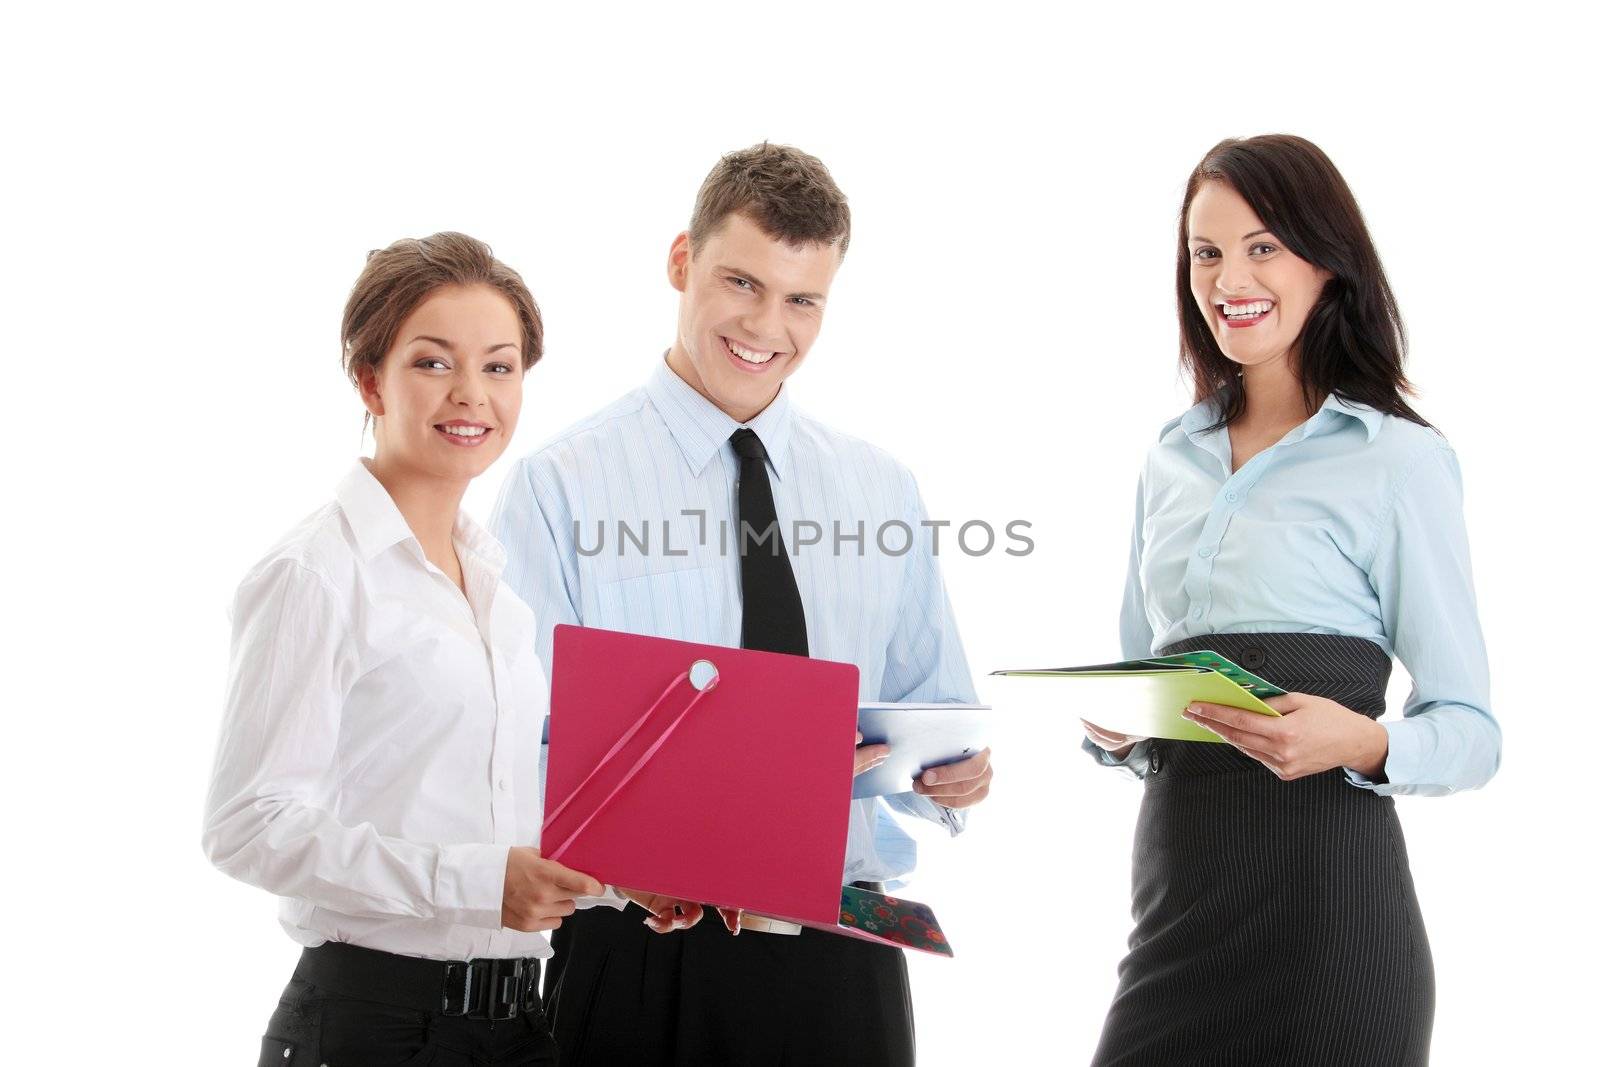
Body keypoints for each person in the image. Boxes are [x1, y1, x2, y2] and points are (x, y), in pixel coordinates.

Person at [490, 142, 995, 1065]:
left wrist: (955, 778)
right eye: (742, 283)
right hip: (644, 948)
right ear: (681, 263)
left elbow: (931, 702)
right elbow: (520, 747)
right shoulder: (562, 483)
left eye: (803, 299)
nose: (769, 324)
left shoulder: (880, 487)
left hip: (846, 952)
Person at [1081, 135, 1502, 1066]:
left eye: (1263, 246)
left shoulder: (1397, 460)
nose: (1231, 274)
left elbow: (1473, 728)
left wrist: (1366, 740)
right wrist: (1114, 722)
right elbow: (1133, 675)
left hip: (1333, 937)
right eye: (1207, 251)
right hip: (1178, 909)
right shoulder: (1169, 455)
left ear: (1327, 260)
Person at [202, 232, 611, 1066]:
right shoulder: (317, 572)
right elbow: (247, 826)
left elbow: (481, 809)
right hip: (375, 1026)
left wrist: (619, 883)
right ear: (370, 380)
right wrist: (475, 880)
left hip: (519, 1025)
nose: (472, 394)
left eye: (499, 367)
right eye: (434, 362)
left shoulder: (495, 582)